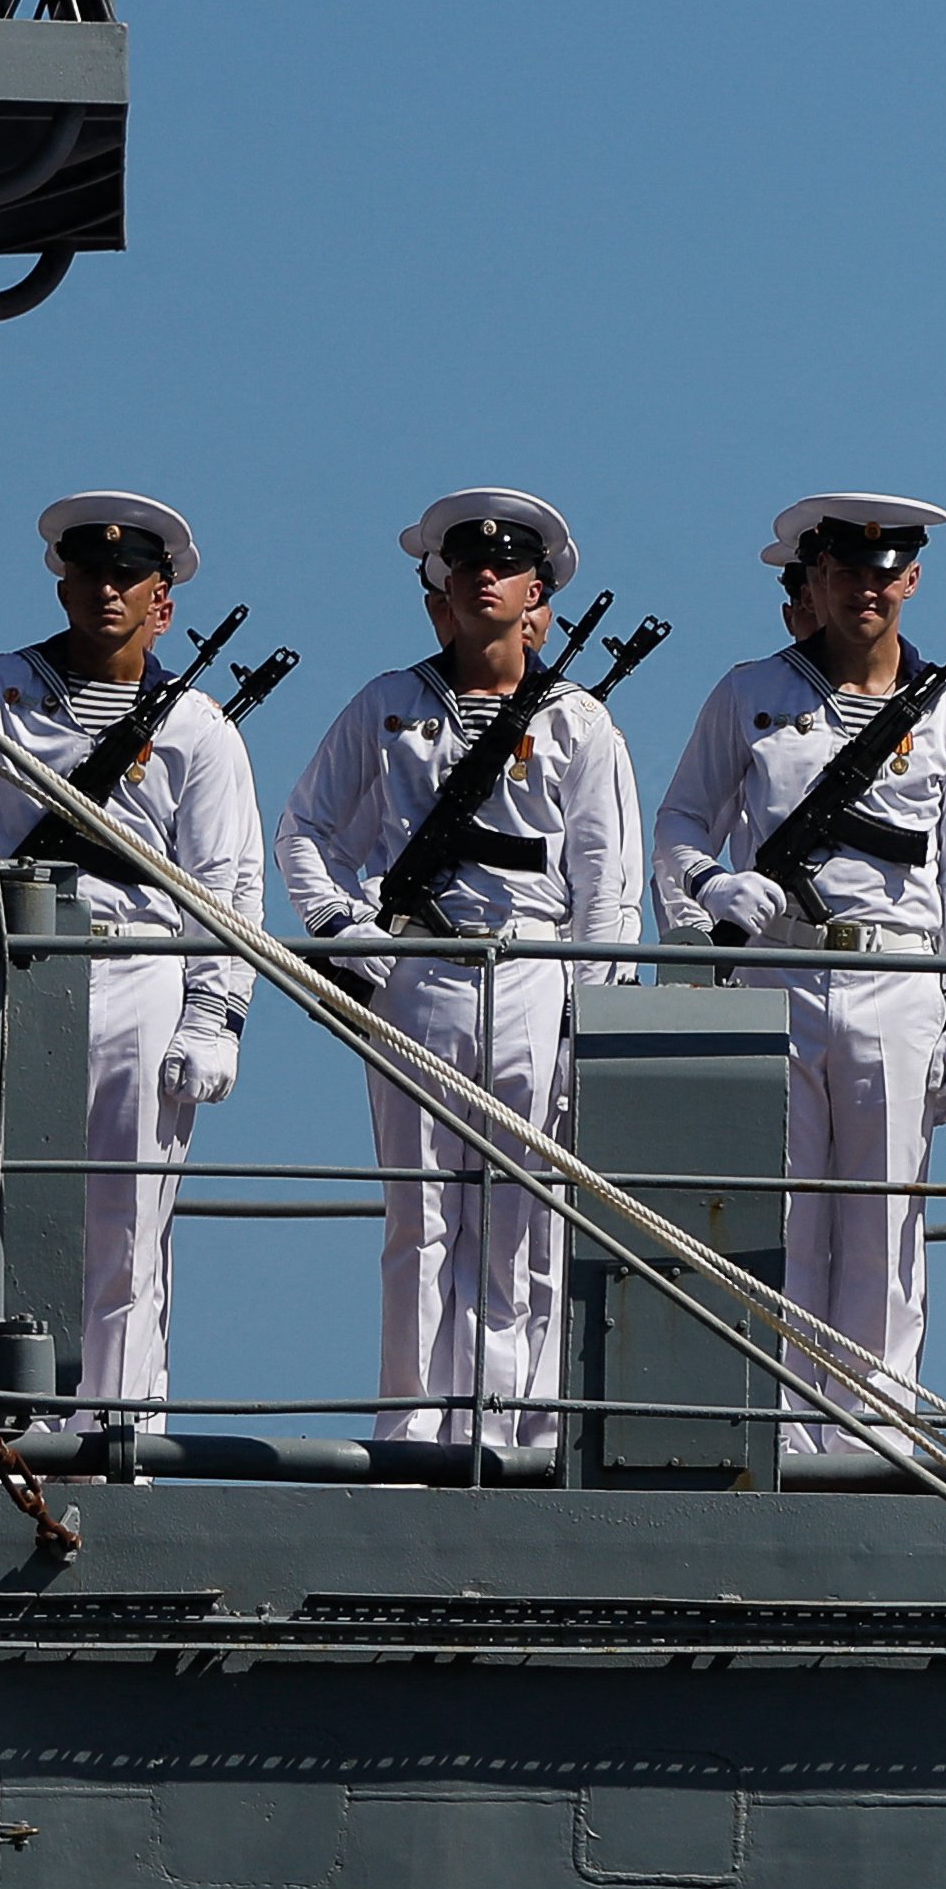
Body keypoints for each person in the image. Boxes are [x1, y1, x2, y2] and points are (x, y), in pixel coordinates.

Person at [277, 488, 645, 1454]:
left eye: (506, 564)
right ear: (439, 586)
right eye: (465, 563)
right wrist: (336, 920)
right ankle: (411, 1425)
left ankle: (512, 1428)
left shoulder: (577, 722)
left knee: (524, 1220)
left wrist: (592, 1012)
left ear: (538, 596)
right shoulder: (390, 705)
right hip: (415, 974)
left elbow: (607, 886)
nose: (483, 574)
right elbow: (307, 828)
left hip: (532, 974)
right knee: (420, 1218)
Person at [655, 493, 946, 1445]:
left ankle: (878, 1436)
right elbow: (681, 822)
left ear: (915, 582)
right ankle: (783, 1433)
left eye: (889, 573)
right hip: (779, 974)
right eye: (848, 572)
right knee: (785, 1217)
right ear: (813, 580)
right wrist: (710, 889)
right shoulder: (749, 694)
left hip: (896, 983)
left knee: (885, 1225)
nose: (870, 589)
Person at [0, 492, 266, 1419]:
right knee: (3, 1211)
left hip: (141, 975)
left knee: (126, 1226)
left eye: (128, 577)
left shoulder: (196, 728)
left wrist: (213, 1014)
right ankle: (8, 1422)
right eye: (90, 573)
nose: (106, 590)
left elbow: (228, 887)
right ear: (61, 581)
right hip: (15, 970)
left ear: (162, 602)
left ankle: (118, 1430)